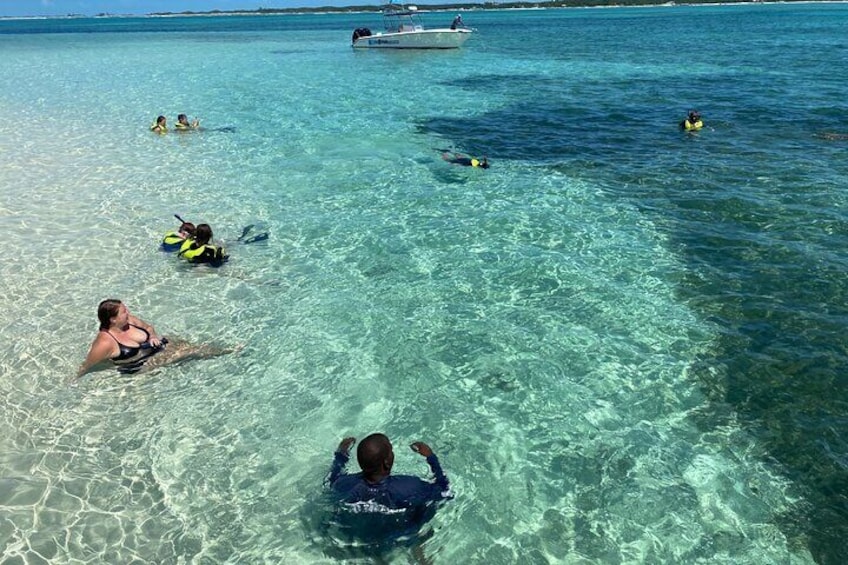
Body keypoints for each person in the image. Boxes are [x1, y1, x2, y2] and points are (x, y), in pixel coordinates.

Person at [325, 433, 451, 537]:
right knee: (426, 505)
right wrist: (431, 457)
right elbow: (444, 490)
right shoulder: (410, 486)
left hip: (360, 533)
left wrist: (341, 455)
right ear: (386, 462)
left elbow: (333, 477)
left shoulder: (343, 484)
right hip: (399, 533)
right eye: (391, 450)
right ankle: (418, 547)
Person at [76, 299, 234, 378]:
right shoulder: (105, 341)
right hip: (142, 365)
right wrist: (74, 380)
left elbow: (149, 328)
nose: (128, 312)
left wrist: (152, 336)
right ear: (112, 319)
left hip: (159, 349)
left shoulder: (130, 321)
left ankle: (221, 352)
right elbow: (88, 364)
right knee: (193, 352)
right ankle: (228, 351)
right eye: (124, 311)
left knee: (190, 347)